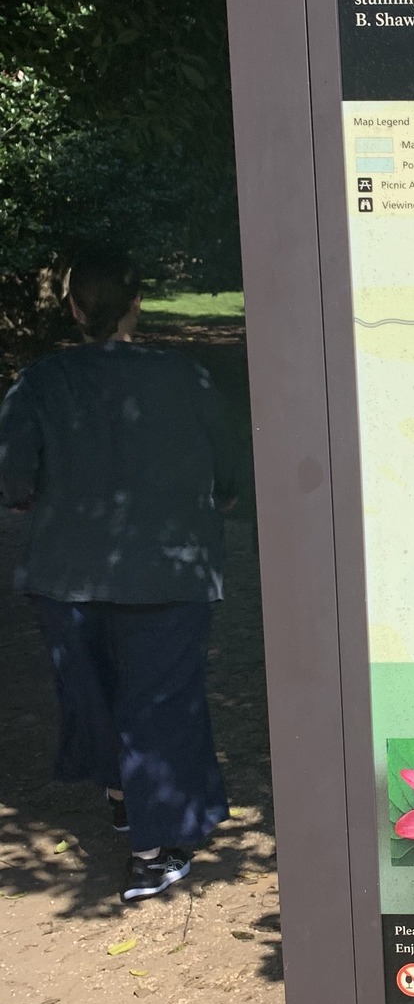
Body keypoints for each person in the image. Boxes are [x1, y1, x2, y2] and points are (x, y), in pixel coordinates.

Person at [0, 248, 249, 901]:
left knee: (95, 692)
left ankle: (123, 802)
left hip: (66, 574)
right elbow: (228, 479)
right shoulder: (187, 379)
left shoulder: (40, 382)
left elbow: (14, 482)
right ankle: (150, 853)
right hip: (168, 573)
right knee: (158, 702)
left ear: (75, 307)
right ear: (138, 302)